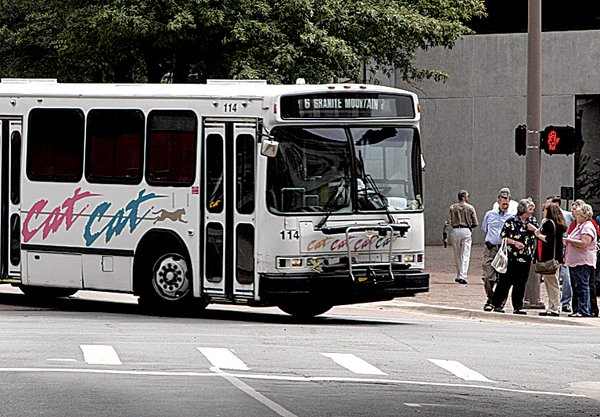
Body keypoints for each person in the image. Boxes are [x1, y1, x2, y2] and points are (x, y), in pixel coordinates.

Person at [490, 198, 539, 314]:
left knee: (521, 283)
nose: (532, 212)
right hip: (512, 257)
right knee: (505, 281)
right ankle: (497, 304)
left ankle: (518, 306)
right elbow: (502, 237)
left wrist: (534, 229)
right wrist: (514, 243)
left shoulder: (532, 221)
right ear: (523, 210)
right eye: (530, 209)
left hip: (526, 257)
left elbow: (540, 234)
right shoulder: (511, 221)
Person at [564, 203, 598, 317]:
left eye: (578, 214)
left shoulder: (587, 227)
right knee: (577, 286)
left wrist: (569, 241)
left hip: (583, 261)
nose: (575, 217)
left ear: (584, 215)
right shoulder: (579, 226)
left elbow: (585, 243)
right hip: (575, 261)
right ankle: (579, 309)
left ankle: (584, 310)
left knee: (583, 286)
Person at [480, 190, 512, 311]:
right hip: (490, 248)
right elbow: (485, 228)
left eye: (507, 204)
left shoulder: (511, 217)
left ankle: (499, 302)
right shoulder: (490, 214)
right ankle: (491, 297)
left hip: (503, 249)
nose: (505, 206)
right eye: (503, 204)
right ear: (498, 202)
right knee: (488, 276)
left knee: (503, 277)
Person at [535, 202, 567, 316]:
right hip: (557, 257)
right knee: (551, 283)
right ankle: (552, 306)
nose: (543, 212)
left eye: (545, 210)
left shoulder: (549, 224)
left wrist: (538, 234)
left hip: (549, 258)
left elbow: (548, 239)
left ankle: (555, 307)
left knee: (552, 284)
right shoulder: (559, 225)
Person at [442, 190, 478, 284]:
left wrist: (445, 235)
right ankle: (463, 275)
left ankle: (459, 275)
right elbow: (475, 222)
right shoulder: (470, 208)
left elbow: (447, 222)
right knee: (465, 254)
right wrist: (470, 228)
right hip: (466, 230)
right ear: (465, 197)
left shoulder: (453, 207)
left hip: (455, 230)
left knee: (457, 254)